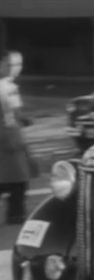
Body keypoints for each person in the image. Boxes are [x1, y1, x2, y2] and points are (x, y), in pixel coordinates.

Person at [0, 50, 31, 224]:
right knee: (18, 181)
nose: (12, 69)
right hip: (8, 138)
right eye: (8, 65)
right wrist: (24, 120)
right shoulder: (8, 87)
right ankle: (15, 214)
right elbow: (15, 114)